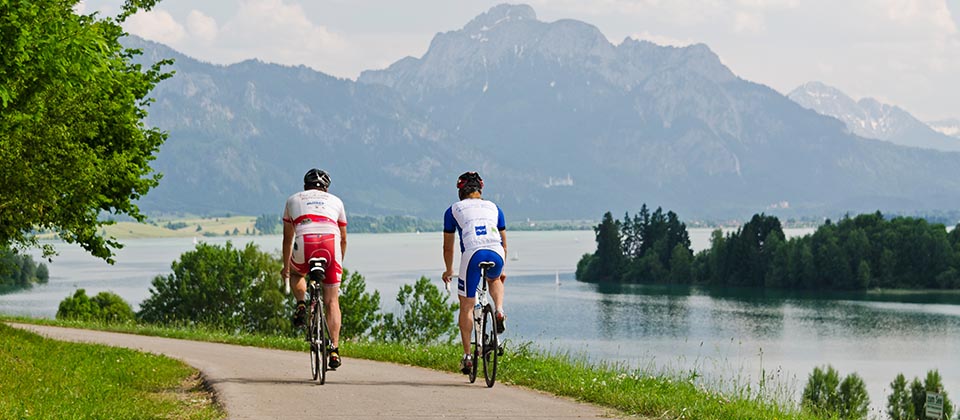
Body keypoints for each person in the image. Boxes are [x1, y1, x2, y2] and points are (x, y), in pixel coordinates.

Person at [441, 171, 507, 375]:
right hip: (497, 253)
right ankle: (500, 310)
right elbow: (504, 242)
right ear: (480, 189)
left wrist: (448, 270)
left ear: (460, 190)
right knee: (494, 278)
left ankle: (468, 356)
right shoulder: (495, 208)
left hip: (472, 253)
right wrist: (502, 270)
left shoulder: (453, 210)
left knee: (466, 305)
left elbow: (448, 248)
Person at [281, 168, 347, 369]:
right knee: (332, 301)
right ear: (326, 188)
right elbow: (343, 238)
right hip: (331, 244)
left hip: (305, 240)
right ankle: (334, 349)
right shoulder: (336, 201)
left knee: (296, 273)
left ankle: (301, 303)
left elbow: (287, 238)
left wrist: (286, 267)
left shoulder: (293, 200)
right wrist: (338, 264)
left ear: (304, 186)